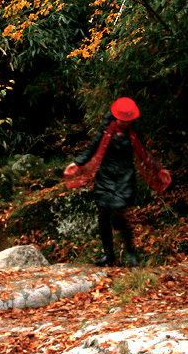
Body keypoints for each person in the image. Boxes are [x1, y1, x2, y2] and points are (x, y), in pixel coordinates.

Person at [64, 97, 170, 267]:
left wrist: (157, 169)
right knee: (103, 215)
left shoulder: (134, 132)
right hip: (106, 175)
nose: (125, 123)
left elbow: (144, 153)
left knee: (119, 215)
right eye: (122, 119)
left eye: (128, 120)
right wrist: (77, 163)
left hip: (125, 177)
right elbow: (93, 147)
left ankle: (131, 253)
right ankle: (108, 254)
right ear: (116, 117)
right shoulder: (107, 129)